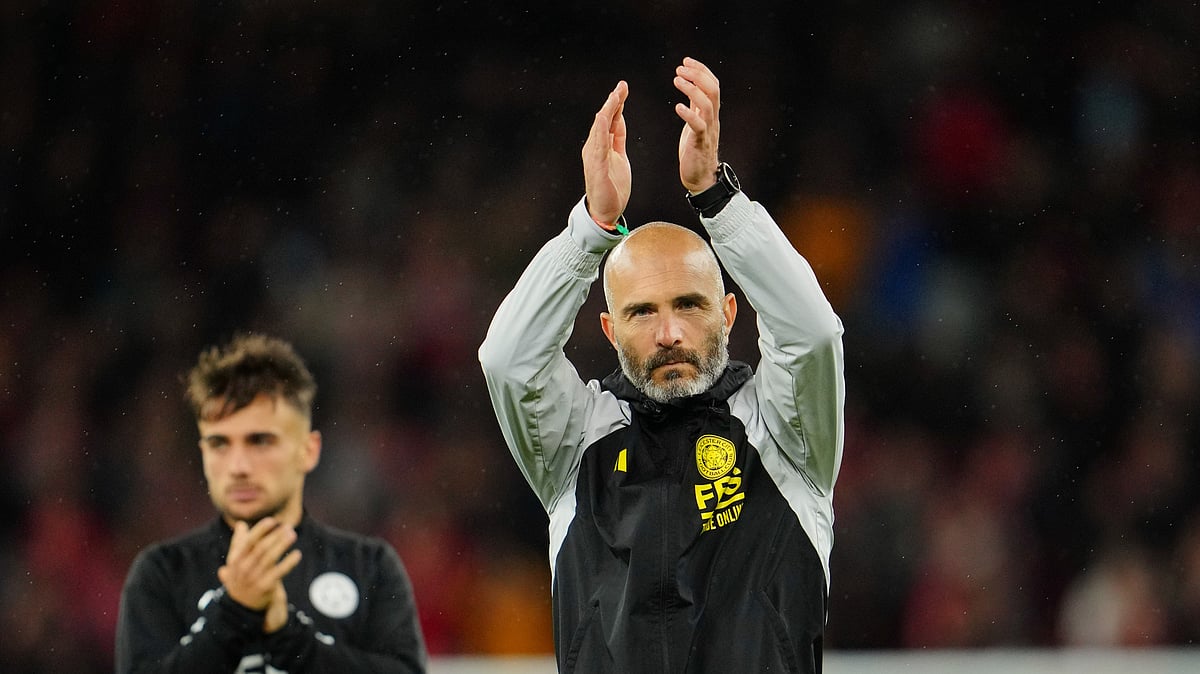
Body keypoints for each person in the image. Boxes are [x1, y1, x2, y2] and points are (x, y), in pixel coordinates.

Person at [478, 57, 845, 673]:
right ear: (608, 328)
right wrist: (590, 231)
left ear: (730, 313)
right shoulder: (577, 442)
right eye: (643, 312)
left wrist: (717, 201)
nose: (670, 333)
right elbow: (509, 360)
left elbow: (811, 335)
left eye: (690, 305)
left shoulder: (785, 435)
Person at [115, 333, 427, 673]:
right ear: (202, 452)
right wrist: (235, 611)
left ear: (308, 450)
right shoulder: (162, 573)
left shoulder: (368, 567)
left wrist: (288, 637)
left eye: (259, 441)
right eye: (219, 444)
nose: (238, 467)